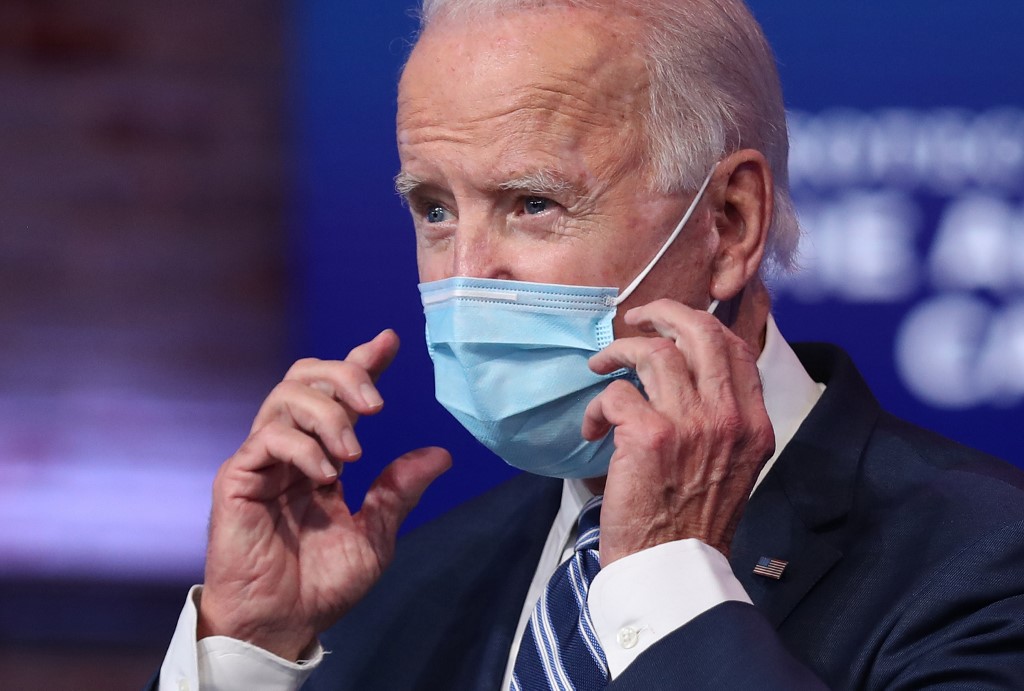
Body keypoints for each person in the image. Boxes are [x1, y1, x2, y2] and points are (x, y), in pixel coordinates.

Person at [153, 0, 1024, 689]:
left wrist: (668, 580)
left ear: (729, 223)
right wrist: (248, 653)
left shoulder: (988, 561)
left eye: (532, 203)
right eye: (435, 209)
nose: (468, 274)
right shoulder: (396, 592)